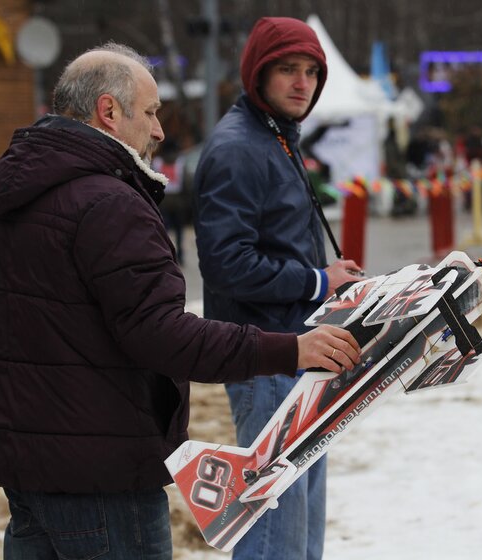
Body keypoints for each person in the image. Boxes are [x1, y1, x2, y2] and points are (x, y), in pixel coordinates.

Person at [0, 42, 360, 560]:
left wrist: (39, 375)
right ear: (109, 111)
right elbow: (165, 336)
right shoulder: (110, 201)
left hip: (28, 472)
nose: (159, 131)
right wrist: (291, 349)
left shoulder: (16, 187)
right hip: (104, 477)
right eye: (150, 113)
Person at [193, 17, 364, 560]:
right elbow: (225, 264)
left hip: (299, 351)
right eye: (288, 69)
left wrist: (331, 287)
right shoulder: (240, 147)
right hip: (265, 357)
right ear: (258, 73)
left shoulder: (275, 138)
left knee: (298, 531)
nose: (302, 83)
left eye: (312, 72)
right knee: (275, 531)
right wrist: (317, 279)